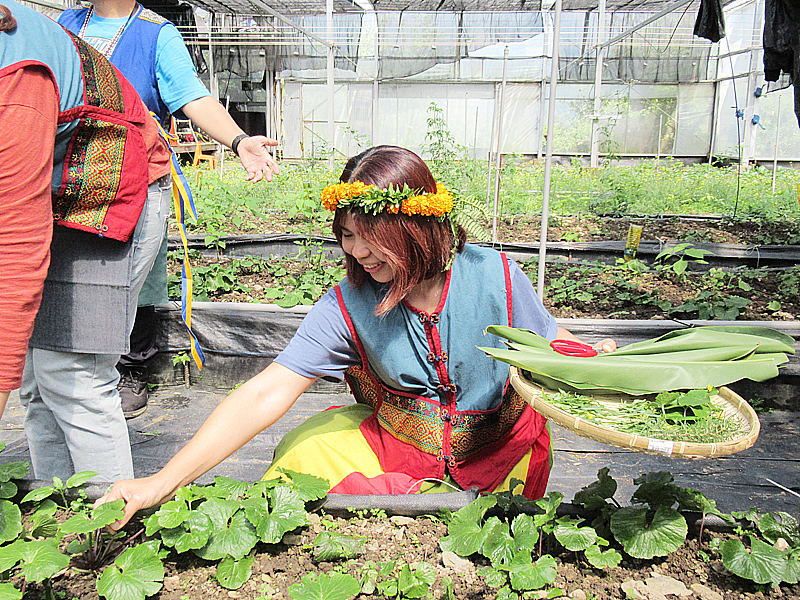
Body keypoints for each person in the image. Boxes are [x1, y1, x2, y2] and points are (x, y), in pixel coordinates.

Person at [97, 145, 616, 528]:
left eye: (373, 237)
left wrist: (598, 361)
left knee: (495, 537)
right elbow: (264, 392)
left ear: (416, 228)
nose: (359, 251)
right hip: (400, 448)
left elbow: (548, 339)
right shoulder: (346, 303)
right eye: (347, 234)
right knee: (300, 461)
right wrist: (163, 480)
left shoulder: (496, 276)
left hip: (500, 452)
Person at [58, 0, 281, 417]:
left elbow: (192, 97)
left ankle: (131, 368)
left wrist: (238, 141)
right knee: (77, 274)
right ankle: (78, 372)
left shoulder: (155, 33)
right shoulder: (68, 21)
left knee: (135, 282)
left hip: (132, 179)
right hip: (74, 180)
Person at [0, 0, 173, 479]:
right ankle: (58, 513)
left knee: (72, 374)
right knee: (37, 380)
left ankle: (106, 528)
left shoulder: (16, 75)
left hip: (110, 192)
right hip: (55, 189)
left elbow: (16, 243)